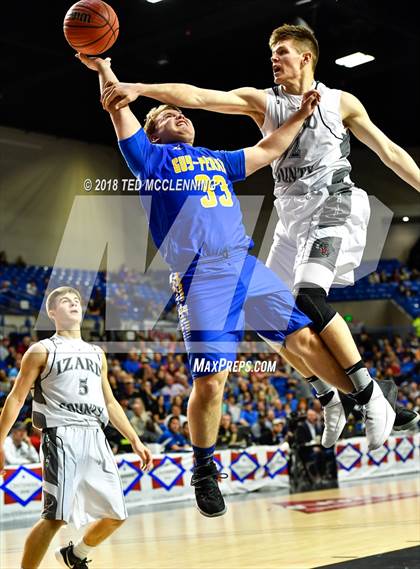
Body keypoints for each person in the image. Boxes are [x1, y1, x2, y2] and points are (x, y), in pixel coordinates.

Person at [77, 53, 393, 519]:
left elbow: (266, 152)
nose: (180, 115)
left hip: (244, 266)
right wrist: (105, 69)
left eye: (181, 112)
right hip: (200, 277)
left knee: (305, 336)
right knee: (211, 380)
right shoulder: (148, 158)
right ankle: (204, 469)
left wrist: (303, 115)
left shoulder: (214, 159)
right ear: (154, 131)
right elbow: (118, 105)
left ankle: (362, 398)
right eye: (169, 114)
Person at [99, 23, 420, 441]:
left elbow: (390, 152)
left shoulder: (342, 102)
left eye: (281, 51)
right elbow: (197, 96)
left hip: (333, 201)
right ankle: (327, 395)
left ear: (305, 57)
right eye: (272, 52)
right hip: (290, 217)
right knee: (269, 320)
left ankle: (374, 394)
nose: (274, 58)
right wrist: (138, 87)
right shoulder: (261, 101)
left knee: (308, 298)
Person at [0, 286, 152, 569]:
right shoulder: (42, 350)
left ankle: (75, 555)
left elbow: (109, 402)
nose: (73, 304)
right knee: (55, 517)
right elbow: (17, 397)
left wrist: (134, 439)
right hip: (61, 434)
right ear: (52, 312)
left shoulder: (97, 354)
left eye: (76, 301)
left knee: (117, 514)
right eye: (64, 301)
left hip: (95, 435)